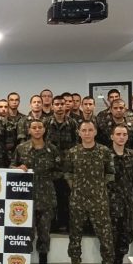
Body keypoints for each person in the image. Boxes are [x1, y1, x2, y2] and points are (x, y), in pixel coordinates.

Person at [63, 121, 115, 264]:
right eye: (84, 130)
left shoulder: (104, 151)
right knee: (75, 236)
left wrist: (98, 187)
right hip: (77, 201)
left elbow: (110, 173)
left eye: (90, 130)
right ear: (79, 133)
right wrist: (75, 187)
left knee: (106, 237)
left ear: (95, 132)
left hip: (99, 201)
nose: (87, 133)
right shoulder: (73, 152)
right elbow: (67, 173)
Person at [12, 119, 61, 264]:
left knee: (44, 233)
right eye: (34, 127)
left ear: (44, 130)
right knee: (26, 232)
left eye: (40, 127)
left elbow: (60, 171)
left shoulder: (52, 149)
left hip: (46, 196)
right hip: (25, 198)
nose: (37, 130)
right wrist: (18, 169)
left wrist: (46, 176)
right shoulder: (21, 148)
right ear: (29, 130)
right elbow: (11, 167)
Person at [45, 95, 78, 232]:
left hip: (67, 167)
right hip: (51, 167)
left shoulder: (73, 123)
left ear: (66, 106)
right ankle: (52, 225)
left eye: (62, 104)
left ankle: (65, 224)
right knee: (51, 197)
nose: (59, 107)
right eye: (57, 104)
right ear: (52, 106)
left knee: (67, 197)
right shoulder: (46, 122)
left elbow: (77, 144)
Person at [108, 125, 133, 264]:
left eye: (124, 134)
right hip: (110, 200)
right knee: (110, 234)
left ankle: (119, 262)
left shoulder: (132, 155)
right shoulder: (105, 155)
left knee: (125, 233)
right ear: (112, 136)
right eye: (118, 134)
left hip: (127, 201)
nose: (121, 137)